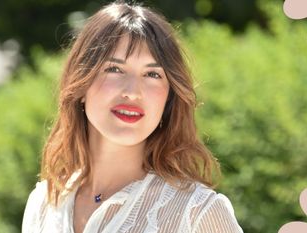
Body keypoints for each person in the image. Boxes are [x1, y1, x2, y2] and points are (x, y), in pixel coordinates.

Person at [22, 1, 244, 232]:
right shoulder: (43, 204)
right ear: (80, 84)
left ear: (168, 98)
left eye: (152, 74)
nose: (133, 92)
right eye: (115, 69)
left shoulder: (197, 212)